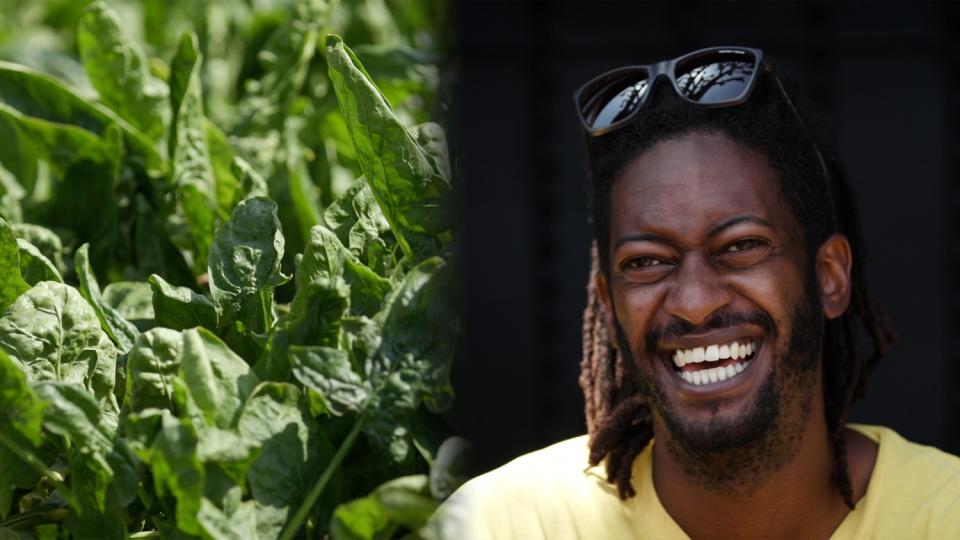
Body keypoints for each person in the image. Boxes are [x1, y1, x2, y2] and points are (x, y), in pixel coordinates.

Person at [430, 47, 960, 539]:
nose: (694, 301)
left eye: (740, 246)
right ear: (610, 306)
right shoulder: (500, 524)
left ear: (829, 277)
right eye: (646, 262)